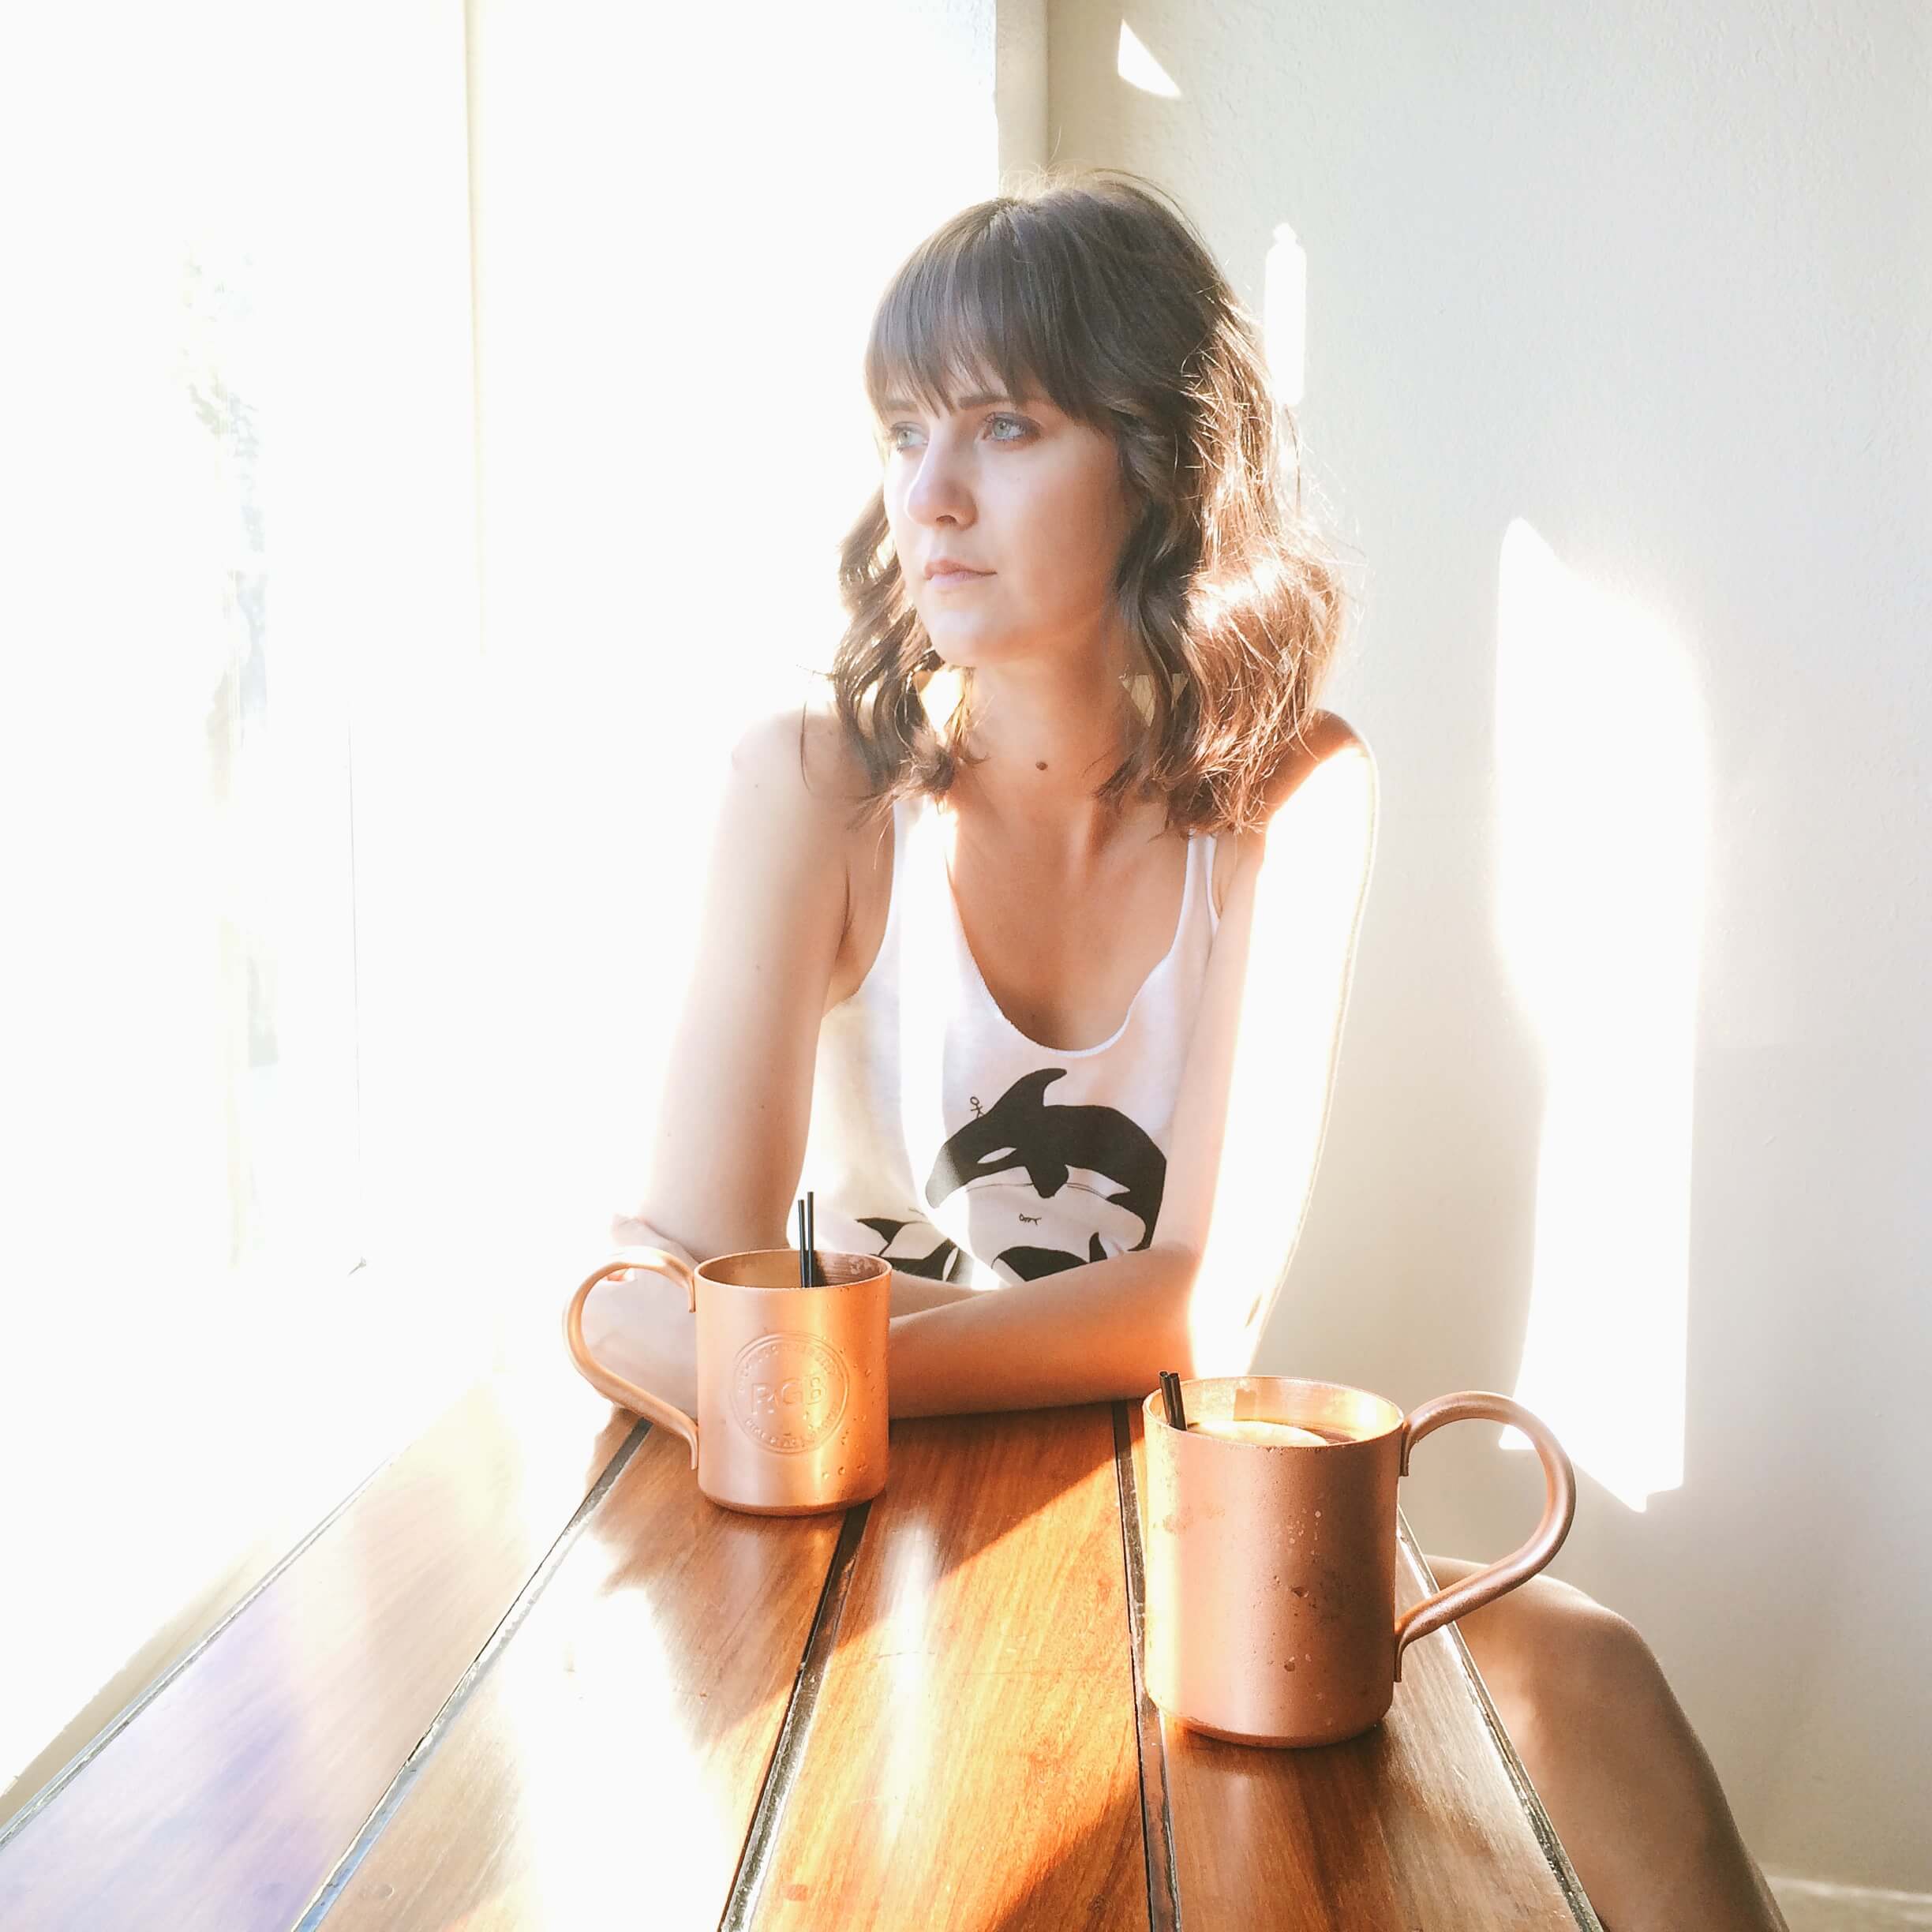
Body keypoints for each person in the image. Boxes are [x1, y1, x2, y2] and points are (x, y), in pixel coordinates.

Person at [578, 170, 1787, 1932]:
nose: (930, 493)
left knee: (1591, 1679)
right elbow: (658, 1273)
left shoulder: (1288, 794)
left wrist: (802, 1344)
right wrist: (721, 1328)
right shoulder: (812, 789)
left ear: (1159, 461)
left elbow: (1192, 1312)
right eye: (907, 430)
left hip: (1164, 1513)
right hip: (838, 1525)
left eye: (1007, 425)